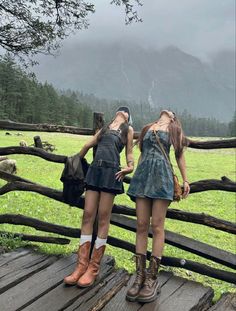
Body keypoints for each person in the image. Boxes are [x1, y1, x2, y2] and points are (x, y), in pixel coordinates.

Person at [64, 106, 134, 287]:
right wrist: (75, 162)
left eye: (126, 111)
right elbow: (88, 145)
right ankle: (81, 266)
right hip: (95, 171)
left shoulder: (128, 130)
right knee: (88, 214)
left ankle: (93, 268)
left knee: (103, 217)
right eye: (121, 109)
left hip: (112, 173)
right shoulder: (104, 128)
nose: (123, 111)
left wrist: (130, 167)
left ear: (128, 117)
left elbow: (129, 154)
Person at [126, 110, 190, 303]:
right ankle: (139, 277)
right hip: (143, 176)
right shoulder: (147, 128)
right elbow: (141, 152)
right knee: (141, 225)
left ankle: (152, 279)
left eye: (170, 111)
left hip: (162, 177)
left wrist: (186, 180)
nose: (166, 110)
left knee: (157, 226)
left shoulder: (174, 129)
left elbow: (179, 156)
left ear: (172, 117)